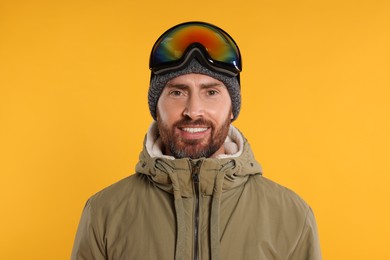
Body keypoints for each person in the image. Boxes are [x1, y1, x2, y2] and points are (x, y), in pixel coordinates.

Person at [71, 21, 322, 260]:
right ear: (156, 108)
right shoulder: (104, 212)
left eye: (211, 92)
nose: (193, 110)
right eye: (177, 92)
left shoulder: (291, 215)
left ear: (232, 108)